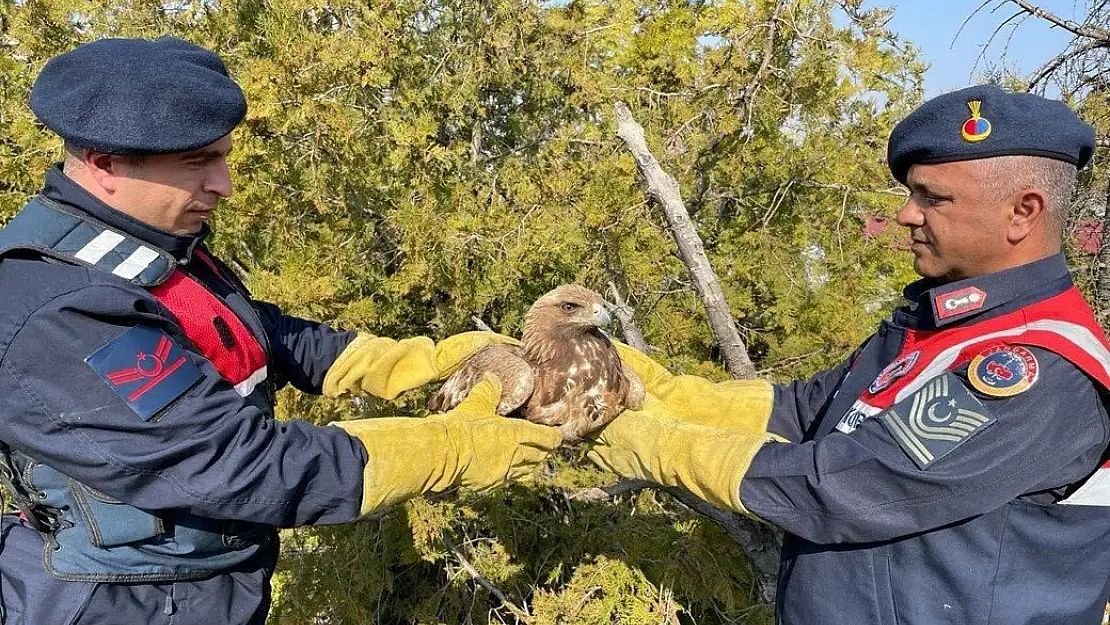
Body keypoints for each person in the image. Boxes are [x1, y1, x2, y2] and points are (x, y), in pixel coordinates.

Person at [0, 37, 562, 625]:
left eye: (222, 157)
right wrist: (447, 448)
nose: (223, 184)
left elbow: (238, 326)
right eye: (197, 163)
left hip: (196, 580)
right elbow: (234, 463)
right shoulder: (64, 312)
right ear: (105, 164)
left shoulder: (133, 246)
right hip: (122, 599)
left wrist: (395, 361)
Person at [591, 84, 1110, 624]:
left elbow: (842, 487)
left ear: (1023, 212)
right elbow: (807, 410)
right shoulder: (948, 324)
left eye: (933, 197)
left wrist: (645, 443)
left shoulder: (1036, 366)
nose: (907, 215)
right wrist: (645, 386)